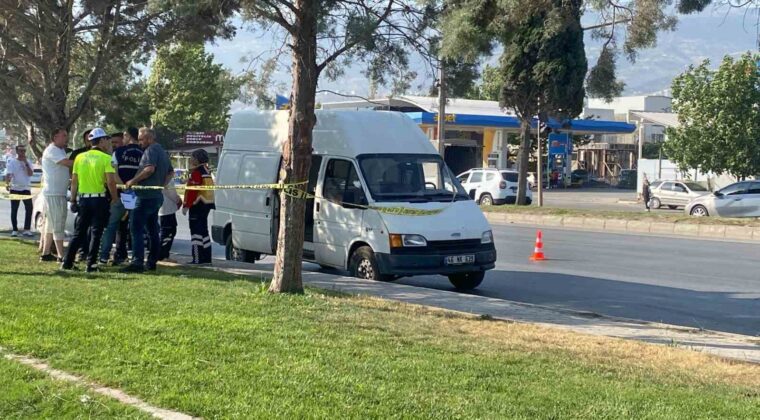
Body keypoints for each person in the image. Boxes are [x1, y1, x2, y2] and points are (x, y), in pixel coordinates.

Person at [61, 128, 118, 272]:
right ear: (102, 140)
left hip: (84, 199)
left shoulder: (80, 157)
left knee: (79, 232)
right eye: (107, 139)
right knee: (96, 233)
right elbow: (111, 182)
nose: (108, 142)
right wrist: (115, 198)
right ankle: (91, 264)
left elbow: (74, 181)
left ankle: (67, 262)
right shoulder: (106, 158)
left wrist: (73, 199)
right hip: (99, 199)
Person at [122, 128, 173, 273]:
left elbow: (149, 169)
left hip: (145, 196)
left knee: (136, 228)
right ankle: (151, 262)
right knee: (152, 231)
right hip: (156, 196)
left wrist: (133, 181)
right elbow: (171, 172)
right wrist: (162, 185)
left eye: (141, 139)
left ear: (150, 139)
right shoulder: (162, 151)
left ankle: (137, 263)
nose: (139, 142)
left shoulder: (151, 150)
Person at [99, 128, 143, 265]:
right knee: (135, 228)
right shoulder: (144, 152)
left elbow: (114, 174)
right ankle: (136, 259)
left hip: (121, 194)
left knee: (111, 226)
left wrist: (124, 186)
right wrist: (133, 184)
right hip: (138, 194)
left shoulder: (118, 152)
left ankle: (103, 256)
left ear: (127, 136)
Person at [40, 129, 74, 262]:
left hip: (58, 192)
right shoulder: (52, 150)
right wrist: (84, 161)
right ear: (55, 137)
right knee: (58, 224)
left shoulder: (60, 150)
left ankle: (46, 253)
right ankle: (61, 256)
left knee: (51, 225)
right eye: (64, 135)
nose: (66, 138)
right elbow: (66, 163)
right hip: (54, 193)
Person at [183, 149, 215, 265]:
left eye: (192, 157)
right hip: (206, 205)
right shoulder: (206, 171)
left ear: (197, 159)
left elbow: (193, 191)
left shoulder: (197, 172)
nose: (190, 159)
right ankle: (207, 258)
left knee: (196, 233)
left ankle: (197, 259)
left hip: (197, 206)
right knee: (204, 232)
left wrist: (186, 206)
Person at [70, 129, 92, 261]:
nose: (90, 141)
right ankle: (81, 251)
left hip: (97, 195)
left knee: (93, 227)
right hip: (81, 194)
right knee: (80, 225)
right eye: (88, 138)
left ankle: (90, 254)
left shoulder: (104, 155)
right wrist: (73, 198)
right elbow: (72, 175)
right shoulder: (78, 154)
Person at [5, 145, 35, 237]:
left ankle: (27, 229)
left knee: (29, 208)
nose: (23, 152)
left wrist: (25, 163)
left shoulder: (28, 161)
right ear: (17, 151)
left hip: (26, 189)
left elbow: (30, 174)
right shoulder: (12, 162)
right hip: (15, 189)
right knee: (14, 209)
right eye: (21, 151)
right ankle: (15, 230)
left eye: (24, 151)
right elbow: (8, 174)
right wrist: (7, 183)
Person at [158, 178, 182, 263]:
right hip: (166, 210)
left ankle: (163, 254)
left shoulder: (163, 177)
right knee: (167, 232)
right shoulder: (167, 178)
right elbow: (171, 193)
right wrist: (178, 200)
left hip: (166, 209)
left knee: (169, 231)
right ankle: (162, 255)